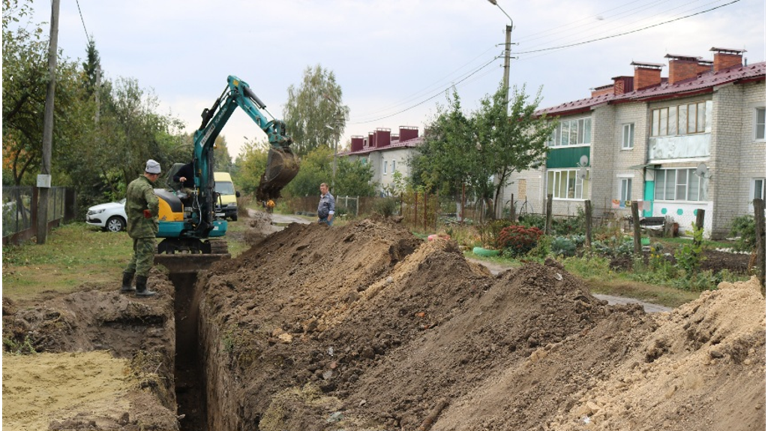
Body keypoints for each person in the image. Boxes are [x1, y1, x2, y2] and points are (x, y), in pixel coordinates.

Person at [121, 159, 161, 297]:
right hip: (145, 228)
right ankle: (141, 288)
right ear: (155, 174)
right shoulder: (146, 187)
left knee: (137, 255)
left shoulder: (133, 184)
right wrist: (152, 213)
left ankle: (126, 284)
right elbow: (154, 203)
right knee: (146, 256)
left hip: (134, 225)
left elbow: (127, 206)